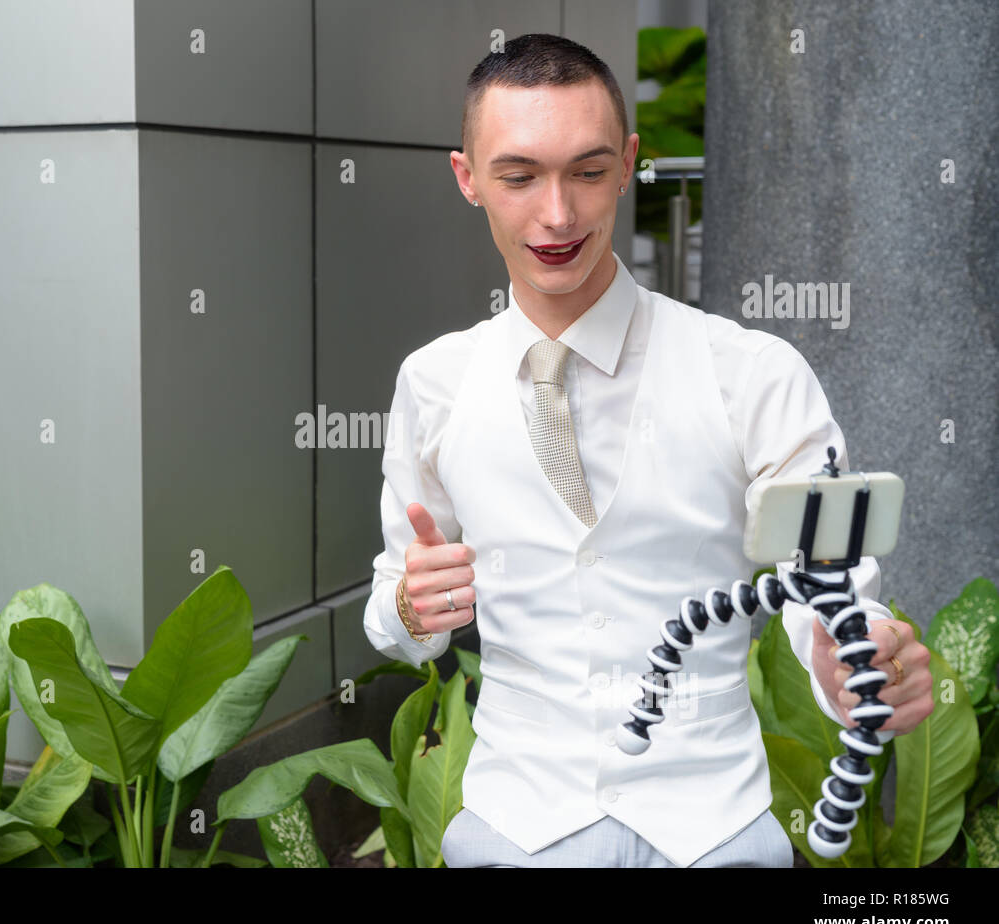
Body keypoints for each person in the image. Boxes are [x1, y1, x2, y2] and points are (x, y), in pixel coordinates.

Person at [362, 33, 934, 868]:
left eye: (588, 172)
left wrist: (855, 653)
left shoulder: (752, 372)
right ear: (467, 177)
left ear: (629, 163)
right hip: (512, 826)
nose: (558, 214)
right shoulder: (433, 383)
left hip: (717, 831)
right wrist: (413, 608)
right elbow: (394, 606)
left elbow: (828, 579)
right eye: (519, 177)